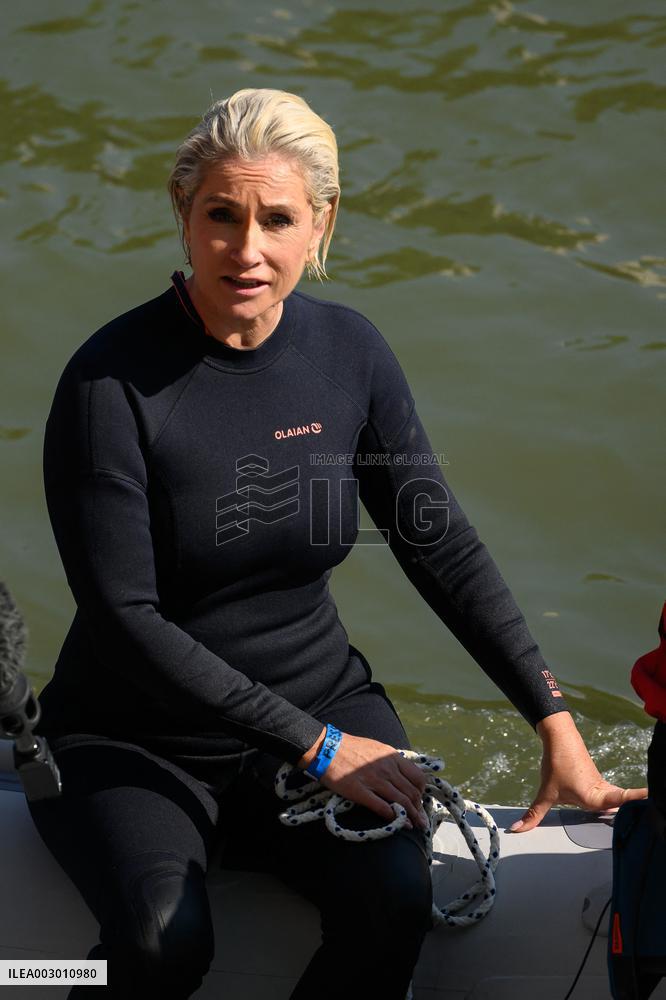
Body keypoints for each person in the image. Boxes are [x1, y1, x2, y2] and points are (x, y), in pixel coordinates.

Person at [29, 88, 645, 1000]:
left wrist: (555, 725)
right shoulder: (108, 385)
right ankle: (23, 976)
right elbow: (126, 620)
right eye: (221, 216)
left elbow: (440, 544)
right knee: (162, 941)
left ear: (321, 223)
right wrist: (318, 749)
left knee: (396, 902)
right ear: (183, 216)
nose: (247, 250)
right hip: (137, 738)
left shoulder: (347, 353)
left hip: (317, 695)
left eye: (277, 219)